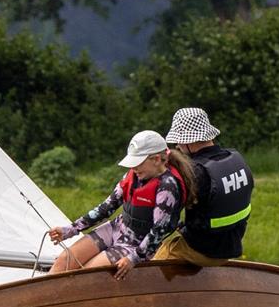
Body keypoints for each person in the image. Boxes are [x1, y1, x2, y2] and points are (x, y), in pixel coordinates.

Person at [48, 130, 196, 280]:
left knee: (86, 275)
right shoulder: (134, 174)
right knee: (64, 262)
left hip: (135, 245)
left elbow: (159, 230)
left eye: (137, 163)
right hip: (116, 228)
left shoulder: (168, 188)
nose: (134, 168)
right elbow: (106, 207)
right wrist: (71, 229)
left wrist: (134, 258)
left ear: (157, 159)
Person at [153, 108, 253, 265]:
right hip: (231, 246)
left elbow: (167, 219)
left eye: (179, 141)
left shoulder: (197, 172)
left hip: (203, 250)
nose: (178, 146)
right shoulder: (236, 160)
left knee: (151, 267)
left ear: (188, 141)